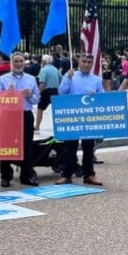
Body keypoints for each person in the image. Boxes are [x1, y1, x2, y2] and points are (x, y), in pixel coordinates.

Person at [55, 54, 104, 186]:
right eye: (84, 61)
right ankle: (66, 175)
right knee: (69, 148)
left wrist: (96, 96)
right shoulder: (70, 75)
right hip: (72, 117)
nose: (86, 64)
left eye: (89, 62)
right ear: (79, 62)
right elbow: (61, 93)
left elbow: (102, 97)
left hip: (89, 118)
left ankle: (89, 174)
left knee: (88, 148)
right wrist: (67, 80)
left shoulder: (96, 80)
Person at [0, 52, 40, 187]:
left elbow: (37, 99)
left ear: (24, 63)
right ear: (11, 63)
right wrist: (6, 94)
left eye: (21, 61)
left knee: (27, 145)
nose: (19, 64)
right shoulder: (3, 79)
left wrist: (30, 95)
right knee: (6, 145)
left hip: (25, 114)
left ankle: (26, 175)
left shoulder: (31, 79)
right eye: (16, 61)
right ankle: (6, 176)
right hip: (8, 115)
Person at [35, 54, 62, 132]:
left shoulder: (44, 70)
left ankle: (37, 126)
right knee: (56, 110)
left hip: (46, 91)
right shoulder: (55, 69)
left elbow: (42, 83)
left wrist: (39, 93)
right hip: (55, 91)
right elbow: (61, 80)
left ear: (44, 61)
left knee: (40, 109)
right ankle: (59, 126)